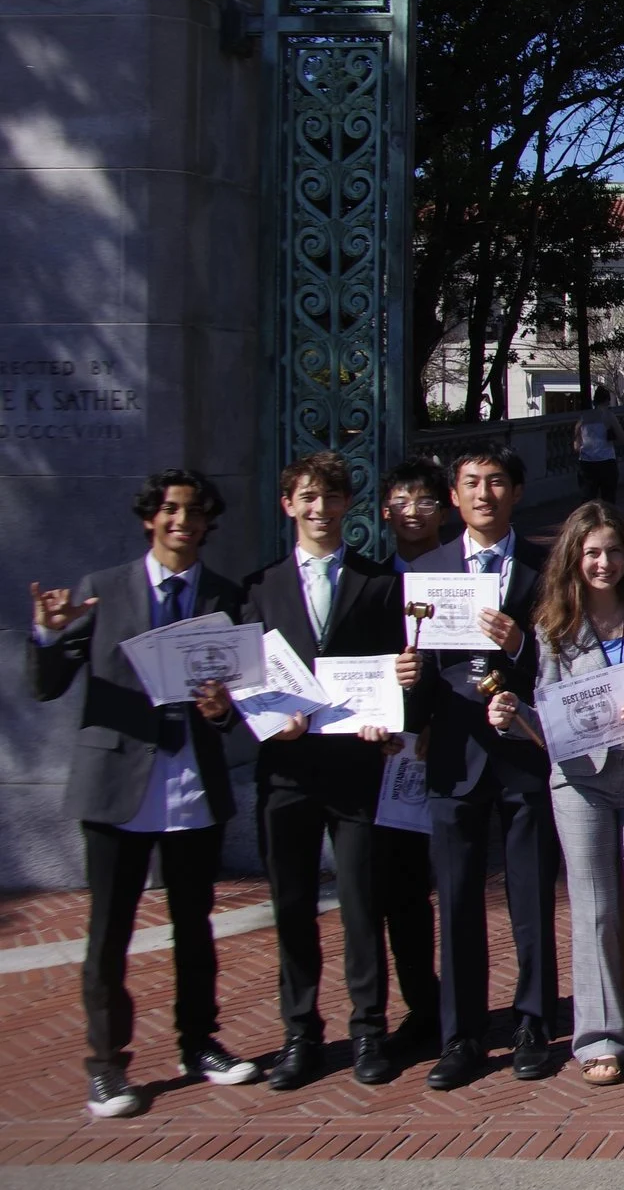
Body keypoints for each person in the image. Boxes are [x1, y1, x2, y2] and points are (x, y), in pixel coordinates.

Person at [28, 470, 263, 1117]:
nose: (181, 520)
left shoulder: (223, 595)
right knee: (109, 932)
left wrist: (220, 709)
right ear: (149, 518)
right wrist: (49, 635)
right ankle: (106, 1064)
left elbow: (236, 702)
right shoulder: (101, 590)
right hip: (116, 784)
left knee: (196, 926)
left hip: (191, 783)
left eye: (193, 511)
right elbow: (48, 685)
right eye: (169, 509)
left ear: (208, 521)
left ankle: (200, 1042)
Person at [395, 446, 559, 1090]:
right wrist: (406, 682)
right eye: (471, 483)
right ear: (454, 497)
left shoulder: (546, 567)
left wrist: (519, 646)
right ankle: (459, 1033)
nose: (484, 493)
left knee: (531, 897)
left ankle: (533, 1022)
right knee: (458, 899)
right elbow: (416, 681)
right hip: (454, 756)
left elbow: (570, 659)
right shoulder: (425, 570)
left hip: (524, 749)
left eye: (496, 482)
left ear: (516, 492)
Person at [242, 451, 406, 1090]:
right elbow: (243, 681)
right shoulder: (258, 588)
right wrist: (260, 718)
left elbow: (397, 669)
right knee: (292, 906)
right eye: (308, 498)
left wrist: (387, 718)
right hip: (285, 771)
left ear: (347, 506)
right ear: (289, 505)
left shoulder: (377, 582)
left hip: (353, 768)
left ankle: (368, 1029)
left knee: (364, 906)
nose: (320, 509)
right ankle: (300, 1034)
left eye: (331, 498)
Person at [525, 501, 624, 1086]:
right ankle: (600, 1037)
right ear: (574, 558)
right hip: (581, 780)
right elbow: (547, 710)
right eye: (591, 553)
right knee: (594, 910)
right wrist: (511, 715)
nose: (604, 563)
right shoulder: (554, 627)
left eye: (614, 551)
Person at [374, 461, 448, 1059]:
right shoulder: (366, 582)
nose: (414, 510)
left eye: (425, 500)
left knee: (454, 883)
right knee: (396, 888)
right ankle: (416, 1007)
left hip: (447, 750)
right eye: (402, 500)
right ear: (384, 511)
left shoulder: (459, 578)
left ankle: (460, 1009)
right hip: (378, 753)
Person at [574, 385, 623, 504]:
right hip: (606, 461)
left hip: (586, 463)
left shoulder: (583, 418)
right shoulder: (609, 416)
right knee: (608, 499)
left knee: (587, 500)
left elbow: (576, 446)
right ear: (607, 400)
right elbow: (622, 438)